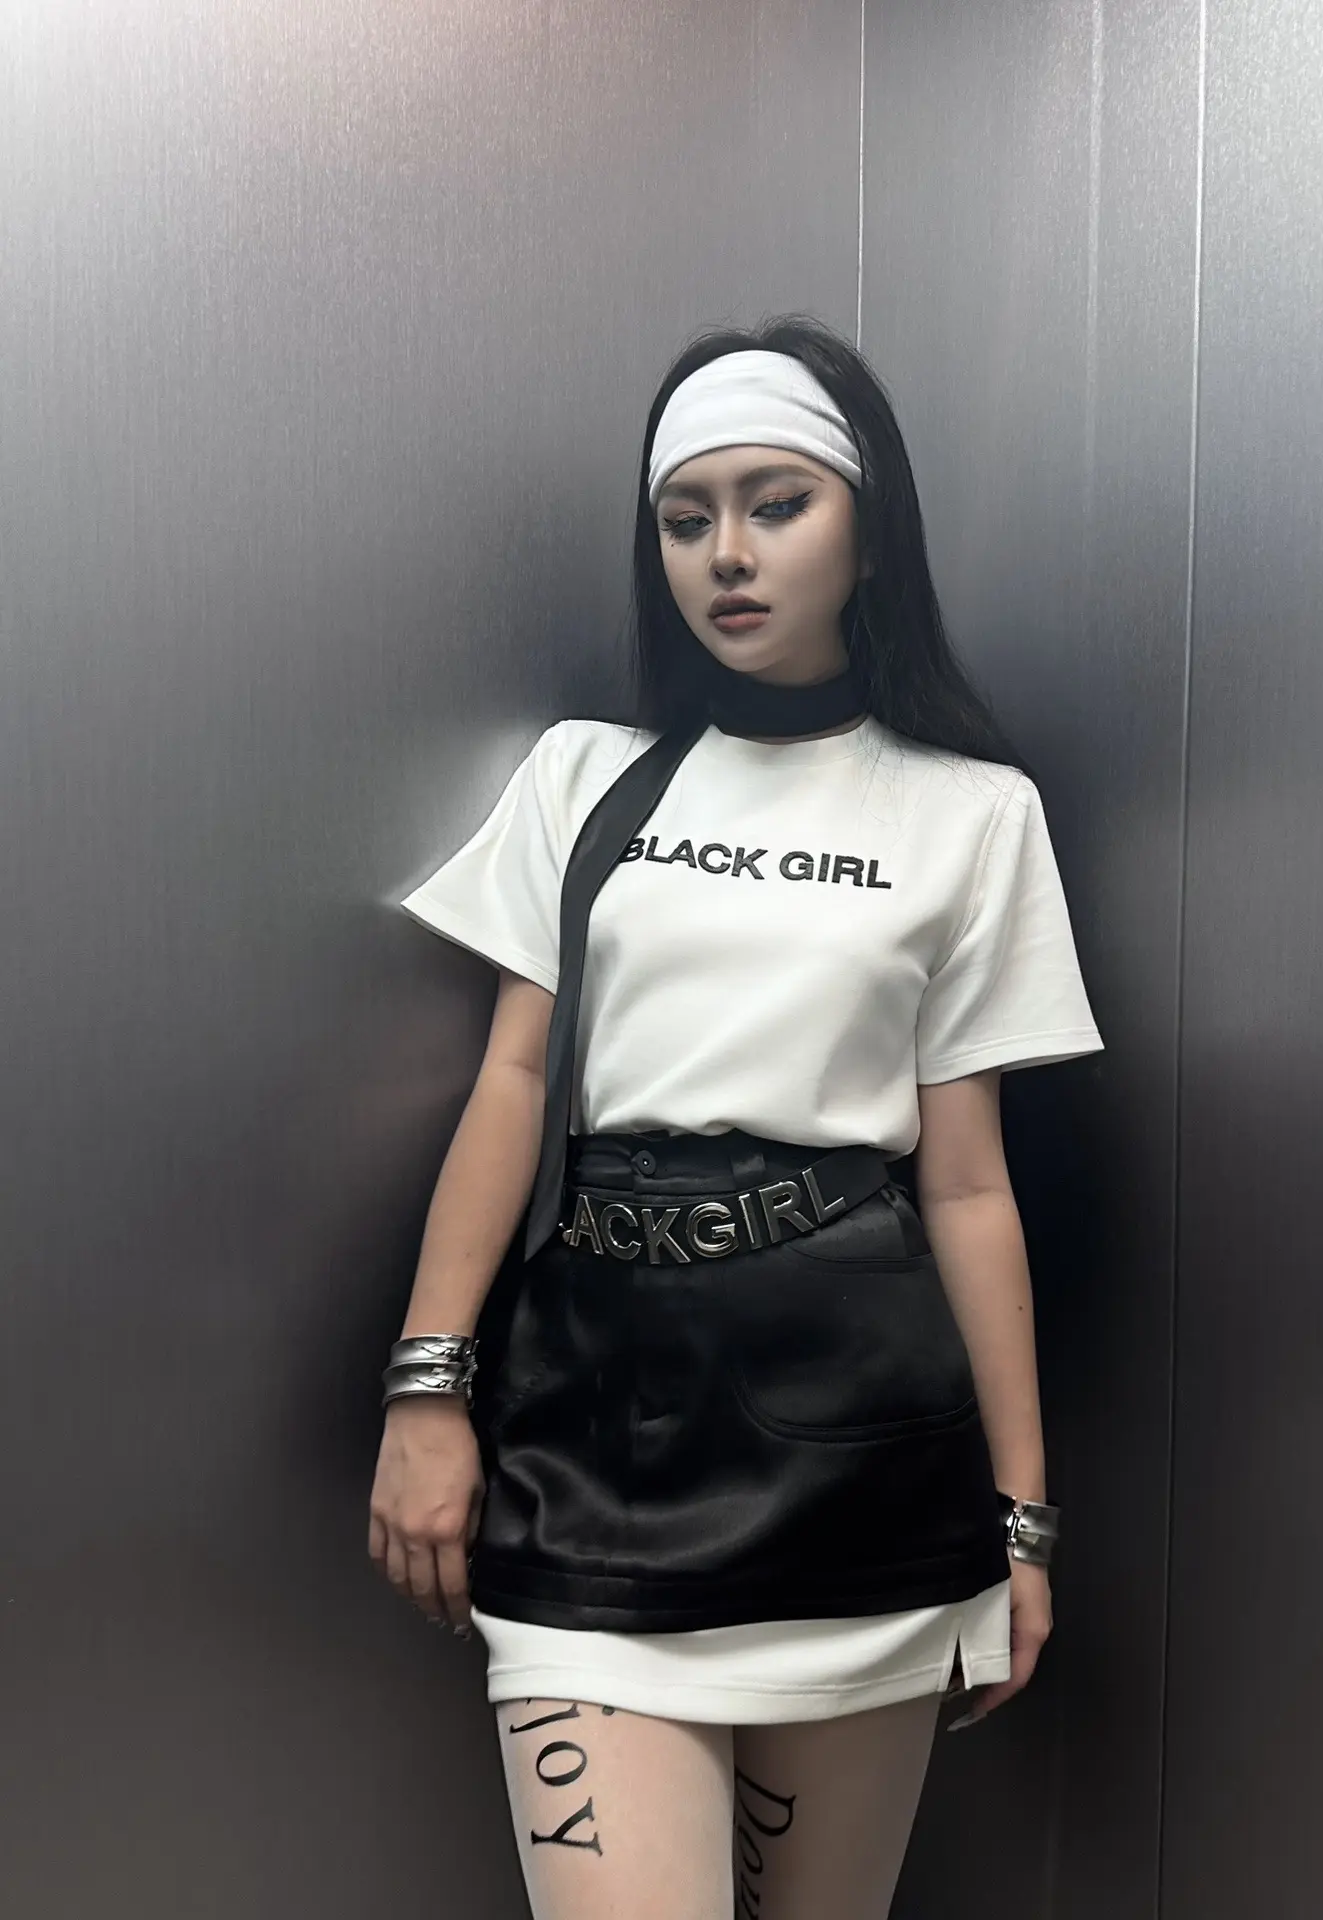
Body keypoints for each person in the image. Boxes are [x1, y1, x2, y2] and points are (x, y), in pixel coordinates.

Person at [369, 315, 1103, 1920]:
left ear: (868, 530)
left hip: (861, 1442)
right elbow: (512, 1085)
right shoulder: (585, 778)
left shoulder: (974, 814)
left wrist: (1023, 1521)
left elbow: (969, 1188)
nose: (729, 554)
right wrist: (428, 1385)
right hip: (589, 1428)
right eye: (687, 516)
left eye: (778, 504)